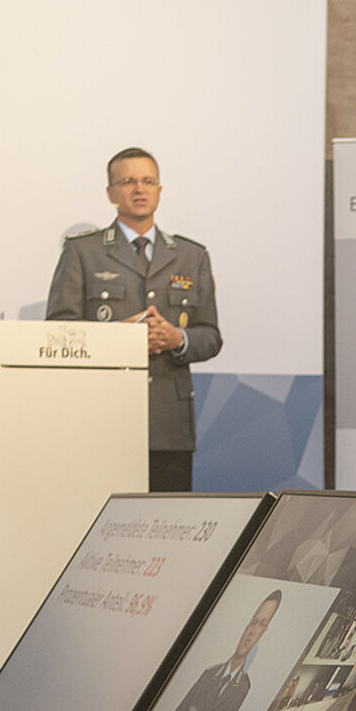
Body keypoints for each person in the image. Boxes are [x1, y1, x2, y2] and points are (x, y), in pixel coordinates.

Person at [46, 147, 221, 492]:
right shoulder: (82, 252)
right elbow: (58, 334)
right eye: (127, 182)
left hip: (169, 424)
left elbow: (211, 337)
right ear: (111, 193)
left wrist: (176, 339)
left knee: (167, 531)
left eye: (147, 181)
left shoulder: (192, 256)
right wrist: (117, 339)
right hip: (102, 419)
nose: (139, 190)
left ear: (159, 190)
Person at [166, 591, 281, 711]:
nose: (252, 631)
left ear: (264, 631)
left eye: (261, 624)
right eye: (253, 622)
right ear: (246, 626)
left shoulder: (243, 688)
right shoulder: (209, 674)